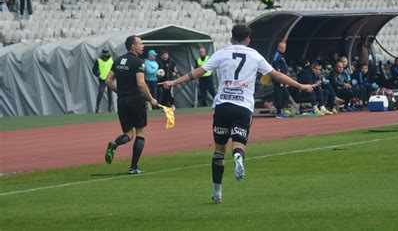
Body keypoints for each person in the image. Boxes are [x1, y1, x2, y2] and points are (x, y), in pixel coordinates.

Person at [161, 25, 314, 204]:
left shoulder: (221, 53)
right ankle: (238, 156)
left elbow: (197, 73)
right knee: (238, 142)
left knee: (219, 150)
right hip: (243, 106)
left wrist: (173, 82)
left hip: (223, 105)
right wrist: (301, 86)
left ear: (231, 38)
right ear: (248, 39)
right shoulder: (255, 55)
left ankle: (217, 192)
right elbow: (277, 76)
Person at [104, 36, 158, 174]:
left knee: (128, 134)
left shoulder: (118, 60)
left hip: (121, 101)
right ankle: (133, 167)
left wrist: (120, 91)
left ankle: (114, 144)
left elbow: (108, 80)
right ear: (133, 46)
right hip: (135, 100)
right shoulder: (139, 62)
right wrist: (151, 99)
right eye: (140, 44)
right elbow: (141, 83)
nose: (143, 46)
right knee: (140, 132)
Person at [272, 41, 290, 118]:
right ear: (278, 47)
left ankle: (281, 110)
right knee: (280, 94)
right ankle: (279, 112)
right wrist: (278, 73)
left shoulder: (281, 55)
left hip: (283, 78)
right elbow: (274, 63)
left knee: (285, 94)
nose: (283, 49)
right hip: (279, 78)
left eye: (284, 47)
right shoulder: (277, 55)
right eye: (281, 47)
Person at [92, 48, 114, 113]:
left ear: (108, 53)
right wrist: (98, 74)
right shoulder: (98, 60)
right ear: (102, 53)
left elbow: (114, 68)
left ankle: (110, 108)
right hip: (102, 79)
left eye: (106, 52)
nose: (105, 54)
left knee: (110, 94)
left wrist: (113, 76)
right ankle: (97, 107)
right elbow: (94, 70)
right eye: (104, 52)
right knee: (100, 93)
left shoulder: (111, 60)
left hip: (109, 79)